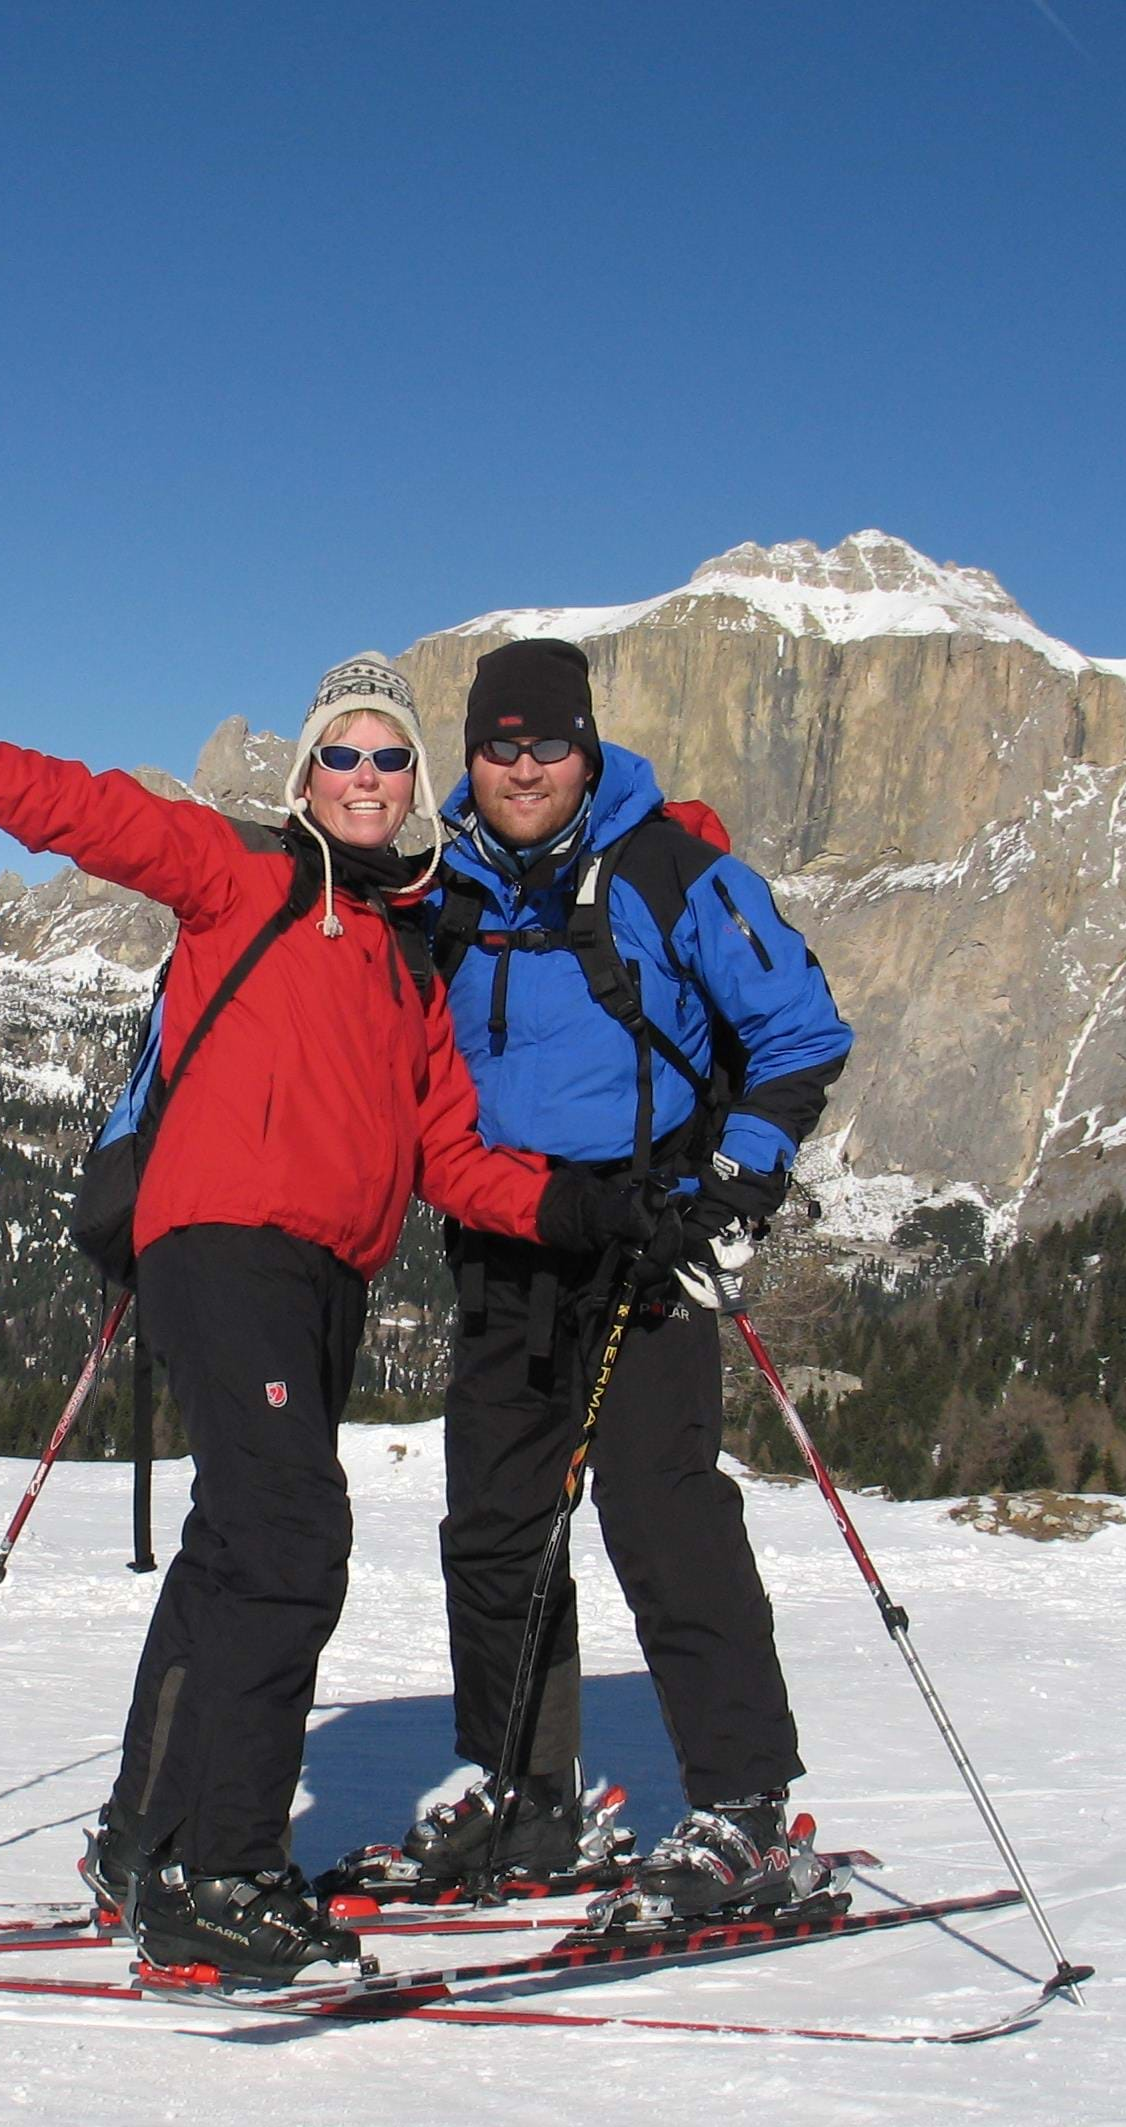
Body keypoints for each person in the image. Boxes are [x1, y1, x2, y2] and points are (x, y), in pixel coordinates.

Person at [0, 627, 661, 1984]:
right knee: (293, 1539)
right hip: (221, 1245)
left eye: (390, 756)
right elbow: (71, 803)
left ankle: (147, 1835)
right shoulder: (238, 870)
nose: (366, 774)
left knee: (236, 1549)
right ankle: (221, 1876)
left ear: (418, 784)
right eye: (342, 755)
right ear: (307, 778)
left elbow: (455, 1160)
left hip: (327, 1278)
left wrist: (594, 1209)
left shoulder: (405, 954)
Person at [375, 635, 854, 1929]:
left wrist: (731, 1186)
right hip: (507, 1240)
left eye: (547, 743)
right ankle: (523, 1790)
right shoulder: (445, 889)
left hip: (648, 1240)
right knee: (494, 1528)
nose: (523, 766)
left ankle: (745, 1808)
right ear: (467, 759)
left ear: (586, 750)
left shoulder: (670, 869)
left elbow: (801, 1030)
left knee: (663, 1517)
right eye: (498, 744)